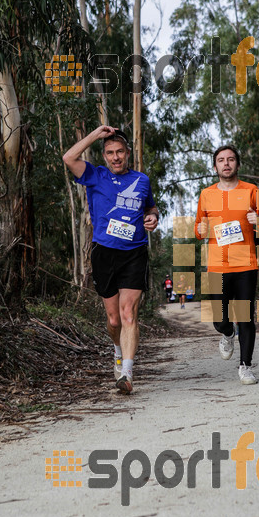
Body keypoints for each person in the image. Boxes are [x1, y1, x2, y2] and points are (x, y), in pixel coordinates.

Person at [62, 125, 159, 395]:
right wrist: (95, 135)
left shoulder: (142, 180)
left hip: (134, 252)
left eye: (119, 152)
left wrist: (153, 216)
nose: (115, 157)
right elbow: (68, 158)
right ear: (104, 156)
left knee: (129, 314)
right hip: (104, 252)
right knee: (114, 320)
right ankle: (117, 350)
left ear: (128, 153)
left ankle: (127, 373)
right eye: (109, 153)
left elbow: (150, 207)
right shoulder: (95, 175)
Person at [195, 144, 259, 385]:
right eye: (221, 160)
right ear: (215, 166)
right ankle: (228, 334)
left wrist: (258, 220)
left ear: (237, 164)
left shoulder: (251, 190)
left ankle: (245, 366)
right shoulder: (206, 194)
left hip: (245, 265)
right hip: (216, 266)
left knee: (246, 317)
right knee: (219, 320)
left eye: (231, 159)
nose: (226, 163)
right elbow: (199, 229)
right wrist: (200, 230)